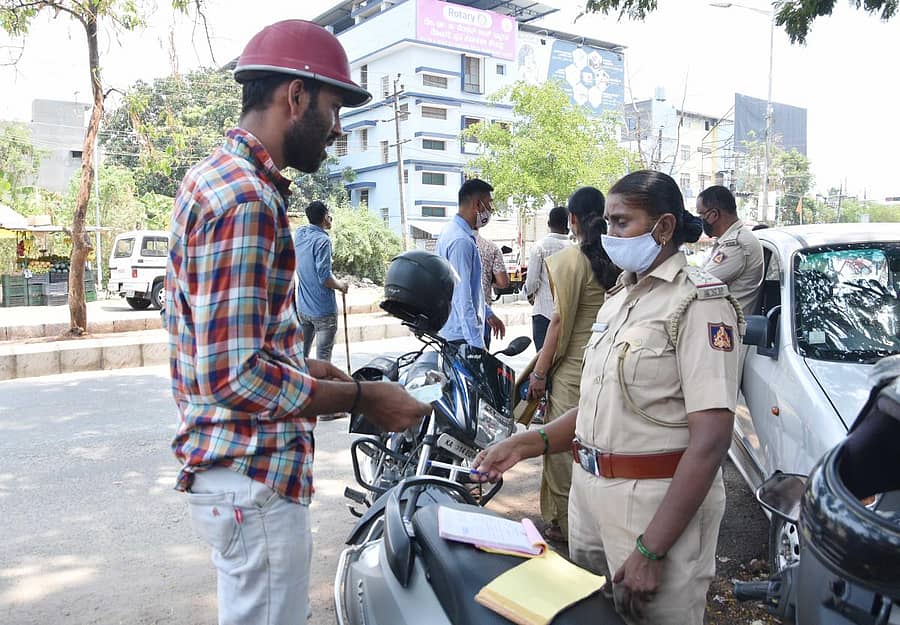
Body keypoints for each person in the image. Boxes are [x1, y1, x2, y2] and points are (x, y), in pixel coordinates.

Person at [164, 20, 430, 625]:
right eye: (334, 110)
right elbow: (234, 376)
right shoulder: (247, 200)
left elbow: (226, 344)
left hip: (236, 474)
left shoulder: (214, 177)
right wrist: (362, 398)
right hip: (251, 474)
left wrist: (305, 369)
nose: (337, 129)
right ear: (296, 96)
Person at [475, 170, 743, 625]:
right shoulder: (620, 296)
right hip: (589, 498)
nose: (609, 234)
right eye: (607, 223)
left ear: (663, 227)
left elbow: (712, 440)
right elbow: (601, 405)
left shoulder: (699, 303)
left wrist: (652, 549)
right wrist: (527, 443)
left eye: (622, 223)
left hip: (652, 509)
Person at [525, 188, 619, 542]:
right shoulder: (618, 257)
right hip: (608, 364)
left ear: (573, 220)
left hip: (574, 369)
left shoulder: (571, 261)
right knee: (601, 445)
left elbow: (559, 322)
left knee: (563, 448)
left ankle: (567, 524)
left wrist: (539, 373)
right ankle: (596, 521)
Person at [436, 178, 505, 349]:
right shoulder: (461, 241)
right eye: (488, 204)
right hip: (461, 337)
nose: (490, 210)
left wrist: (487, 312)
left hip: (455, 332)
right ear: (477, 205)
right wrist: (477, 346)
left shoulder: (451, 231)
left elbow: (471, 291)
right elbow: (462, 296)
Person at [697, 185, 764, 315]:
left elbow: (700, 283)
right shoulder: (726, 241)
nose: (700, 220)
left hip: (730, 323)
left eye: (701, 215)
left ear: (714, 215)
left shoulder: (737, 244)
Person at [294, 200, 347, 363]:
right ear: (325, 217)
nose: (330, 218)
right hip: (323, 311)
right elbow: (325, 278)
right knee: (323, 360)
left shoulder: (300, 233)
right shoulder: (323, 241)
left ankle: (300, 378)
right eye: (328, 215)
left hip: (303, 309)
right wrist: (341, 285)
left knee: (301, 357)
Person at [524, 206, 573, 350]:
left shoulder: (539, 247)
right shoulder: (574, 248)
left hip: (543, 314)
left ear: (549, 224)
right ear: (568, 224)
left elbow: (531, 283)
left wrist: (528, 294)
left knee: (542, 357)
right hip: (568, 315)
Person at [476, 232, 509, 349]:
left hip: (453, 318)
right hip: (483, 314)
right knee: (481, 356)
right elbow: (503, 281)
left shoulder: (447, 241)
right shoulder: (490, 247)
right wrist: (489, 279)